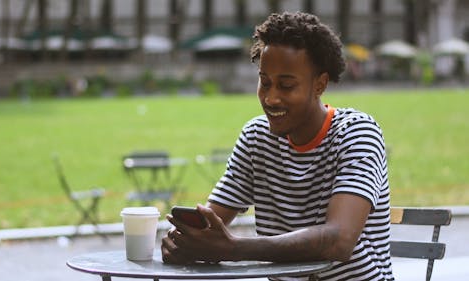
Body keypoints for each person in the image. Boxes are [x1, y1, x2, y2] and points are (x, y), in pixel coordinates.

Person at [162, 11, 394, 281]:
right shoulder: (256, 137)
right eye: (265, 82)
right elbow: (211, 222)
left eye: (286, 85)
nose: (271, 98)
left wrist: (234, 249)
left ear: (319, 84)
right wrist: (188, 241)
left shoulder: (356, 133)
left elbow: (338, 241)